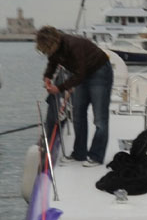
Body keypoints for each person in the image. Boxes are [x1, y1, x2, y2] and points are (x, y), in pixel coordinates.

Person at [35, 25, 114, 166]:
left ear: (54, 42)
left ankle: (96, 155)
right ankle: (79, 153)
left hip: (99, 72)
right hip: (82, 75)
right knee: (78, 115)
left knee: (100, 118)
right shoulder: (55, 49)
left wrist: (59, 88)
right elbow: (52, 62)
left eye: (47, 49)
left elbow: (80, 73)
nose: (47, 53)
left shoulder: (73, 45)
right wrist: (47, 76)